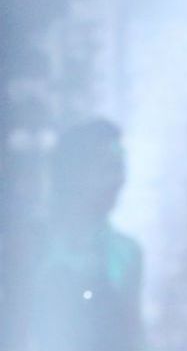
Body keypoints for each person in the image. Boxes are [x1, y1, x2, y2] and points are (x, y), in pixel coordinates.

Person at [24, 118, 145, 351]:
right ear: (75, 173)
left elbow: (134, 336)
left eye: (120, 168)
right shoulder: (28, 244)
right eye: (108, 168)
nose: (119, 180)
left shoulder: (126, 253)